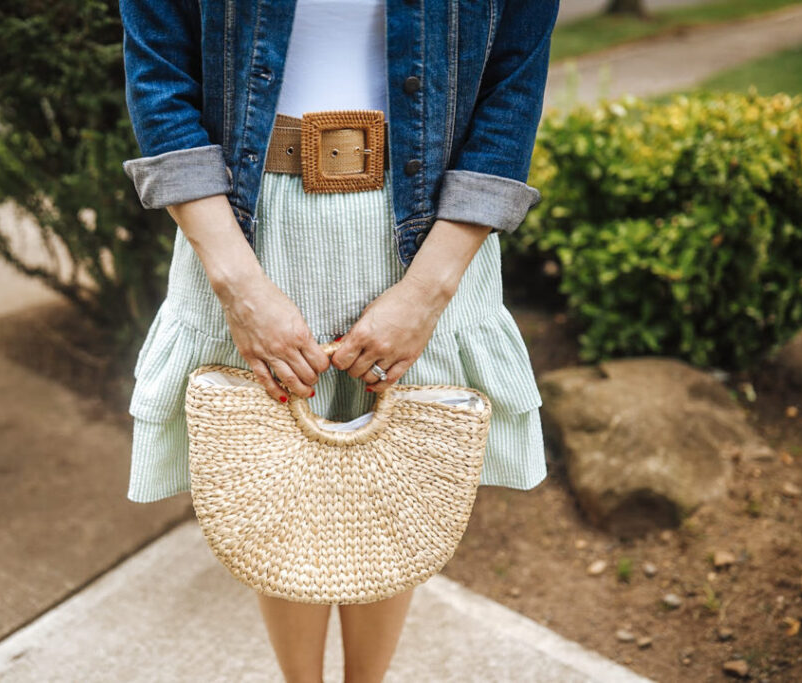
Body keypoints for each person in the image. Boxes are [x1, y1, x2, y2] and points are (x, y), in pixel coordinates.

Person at [119, 0, 559, 680]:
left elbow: (513, 87)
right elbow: (159, 72)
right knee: (275, 482)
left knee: (394, 485)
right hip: (250, 233)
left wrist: (425, 293)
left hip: (427, 241)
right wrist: (239, 285)